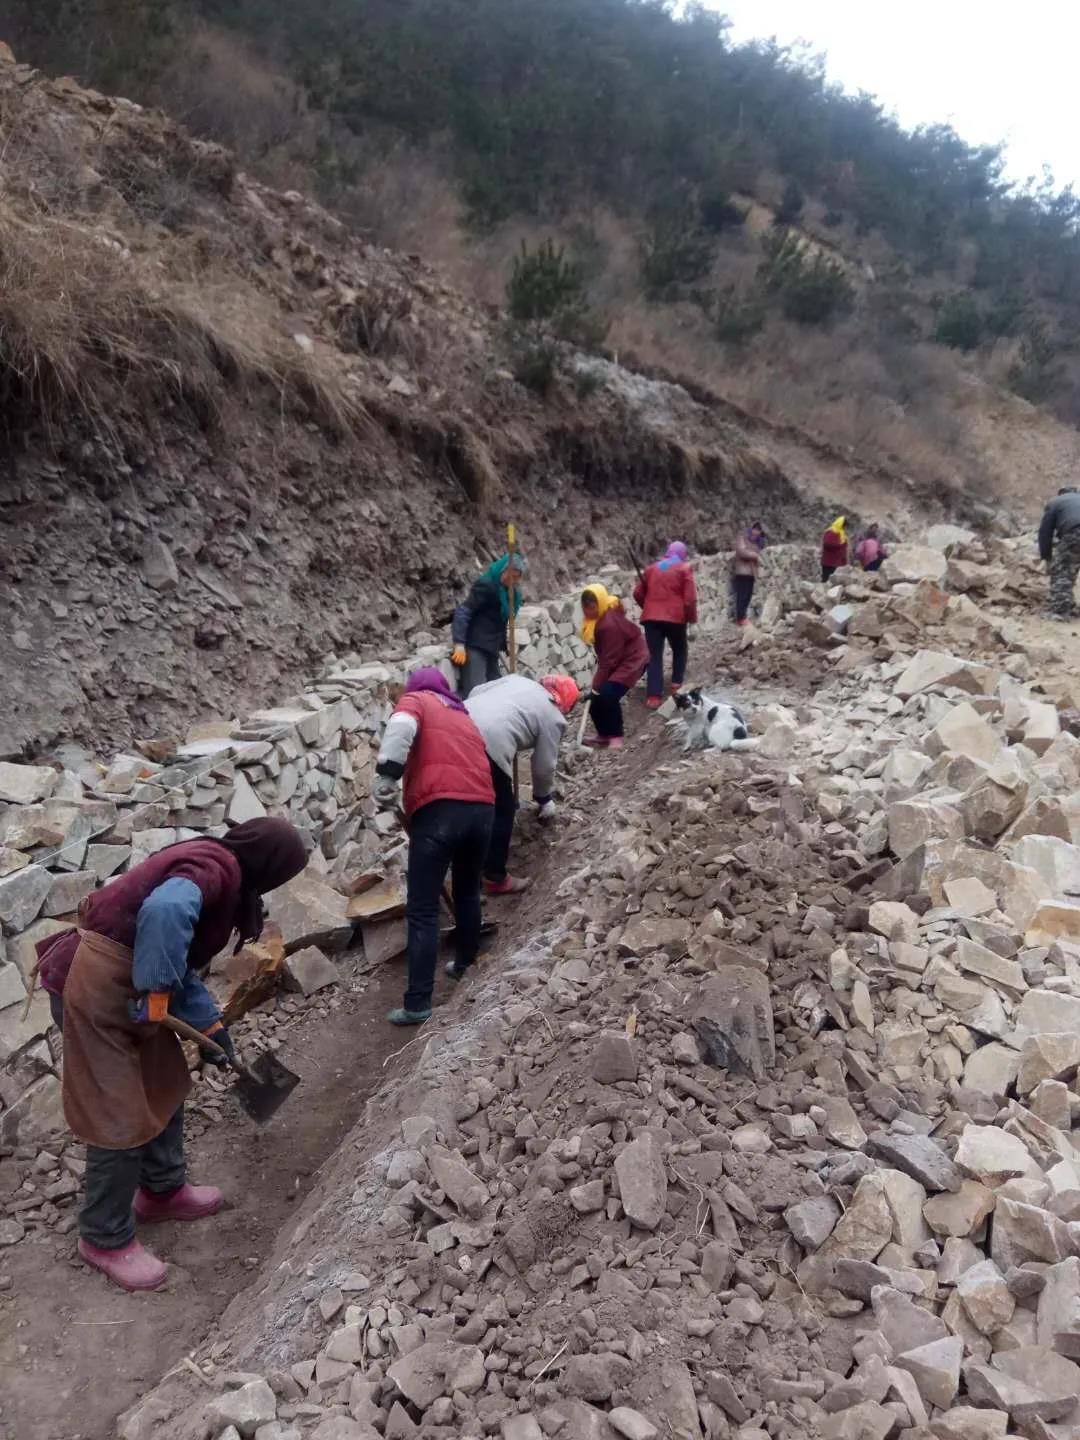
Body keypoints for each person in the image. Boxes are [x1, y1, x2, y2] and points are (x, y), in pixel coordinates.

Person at [33, 818, 308, 1293]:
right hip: (91, 986)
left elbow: (178, 960)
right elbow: (164, 913)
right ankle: (103, 1236)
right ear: (270, 866)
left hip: (128, 985)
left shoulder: (222, 872)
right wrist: (158, 990)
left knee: (165, 1080)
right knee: (118, 1111)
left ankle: (162, 1191)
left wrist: (211, 1026)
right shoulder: (213, 867)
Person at [372, 667, 495, 1026]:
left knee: (423, 909)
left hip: (440, 809)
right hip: (483, 810)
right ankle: (465, 963)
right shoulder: (462, 714)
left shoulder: (416, 701)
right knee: (468, 891)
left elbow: (401, 727)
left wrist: (387, 776)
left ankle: (417, 1003)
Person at [466, 673, 579, 894]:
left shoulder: (517, 680)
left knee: (465, 800)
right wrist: (544, 798)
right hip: (487, 741)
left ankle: (466, 869)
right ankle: (494, 877)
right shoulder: (552, 715)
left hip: (456, 722)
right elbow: (544, 765)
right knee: (502, 807)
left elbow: (476, 691)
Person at [580, 584, 648, 749]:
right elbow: (608, 658)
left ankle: (616, 737)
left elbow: (609, 661)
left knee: (608, 695)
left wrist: (595, 686)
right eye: (585, 608)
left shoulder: (608, 625)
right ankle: (603, 736)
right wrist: (595, 689)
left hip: (633, 659)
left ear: (600, 603)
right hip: (621, 658)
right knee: (595, 699)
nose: (587, 612)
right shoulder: (602, 614)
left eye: (591, 607)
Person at [450, 553, 527, 698]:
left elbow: (500, 621)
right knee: (476, 693)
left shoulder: (508, 593)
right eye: (511, 575)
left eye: (516, 577)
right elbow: (464, 611)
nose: (513, 580)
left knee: (497, 690)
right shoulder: (487, 585)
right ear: (503, 570)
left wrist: (505, 643)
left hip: (491, 648)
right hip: (475, 647)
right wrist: (459, 643)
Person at [633, 540, 698, 709]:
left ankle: (653, 696)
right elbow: (690, 599)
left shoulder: (652, 569)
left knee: (654, 655)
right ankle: (676, 684)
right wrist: (692, 620)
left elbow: (637, 593)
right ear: (683, 554)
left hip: (651, 619)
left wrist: (648, 607)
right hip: (676, 618)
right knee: (680, 649)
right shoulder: (684, 568)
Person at [1039, 486, 1080, 618]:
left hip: (1075, 532)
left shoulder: (1055, 502)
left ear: (1061, 494)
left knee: (1062, 571)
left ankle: (1060, 611)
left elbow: (1045, 532)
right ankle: (1069, 603)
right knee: (1071, 567)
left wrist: (1046, 557)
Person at [731, 522, 766, 625]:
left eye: (759, 530)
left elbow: (757, 553)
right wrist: (755, 556)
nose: (756, 532)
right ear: (752, 529)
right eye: (755, 529)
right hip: (742, 571)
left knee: (748, 595)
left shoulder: (758, 542)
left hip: (751, 572)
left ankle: (743, 616)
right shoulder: (742, 537)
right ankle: (740, 618)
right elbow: (741, 552)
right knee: (742, 595)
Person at [821, 516, 849, 582]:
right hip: (829, 562)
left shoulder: (841, 533)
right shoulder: (831, 532)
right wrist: (840, 545)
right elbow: (828, 544)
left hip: (837, 562)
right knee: (826, 580)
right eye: (844, 526)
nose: (845, 528)